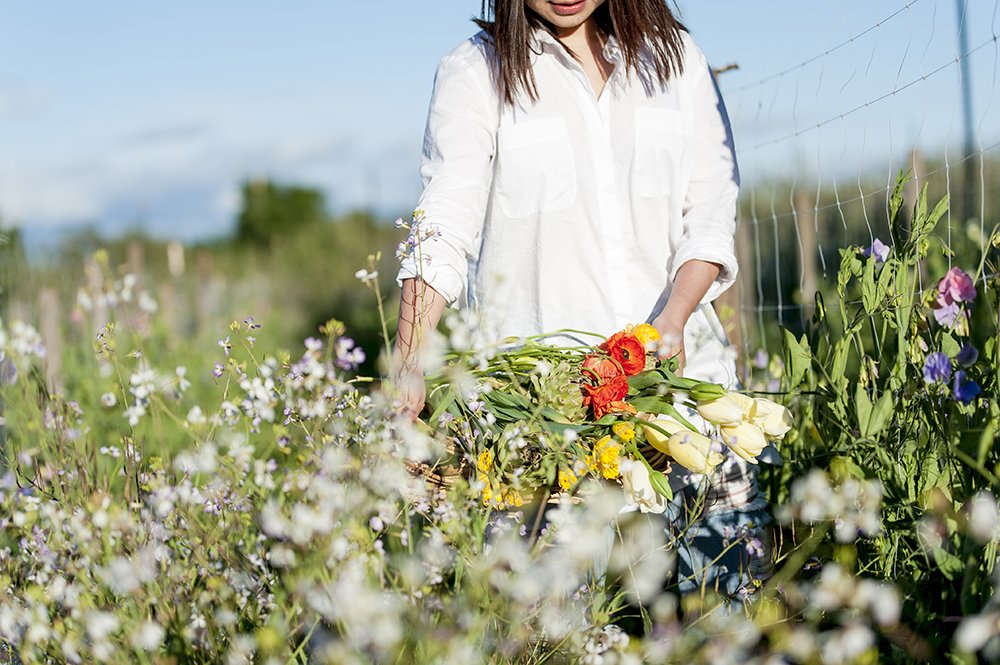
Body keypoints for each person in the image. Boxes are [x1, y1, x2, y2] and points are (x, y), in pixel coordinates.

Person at [392, 0, 772, 601]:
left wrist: (673, 319)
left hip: (686, 403)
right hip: (543, 425)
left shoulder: (676, 60)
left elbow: (710, 214)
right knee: (549, 632)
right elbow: (442, 226)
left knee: (728, 615)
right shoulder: (476, 73)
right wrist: (409, 359)